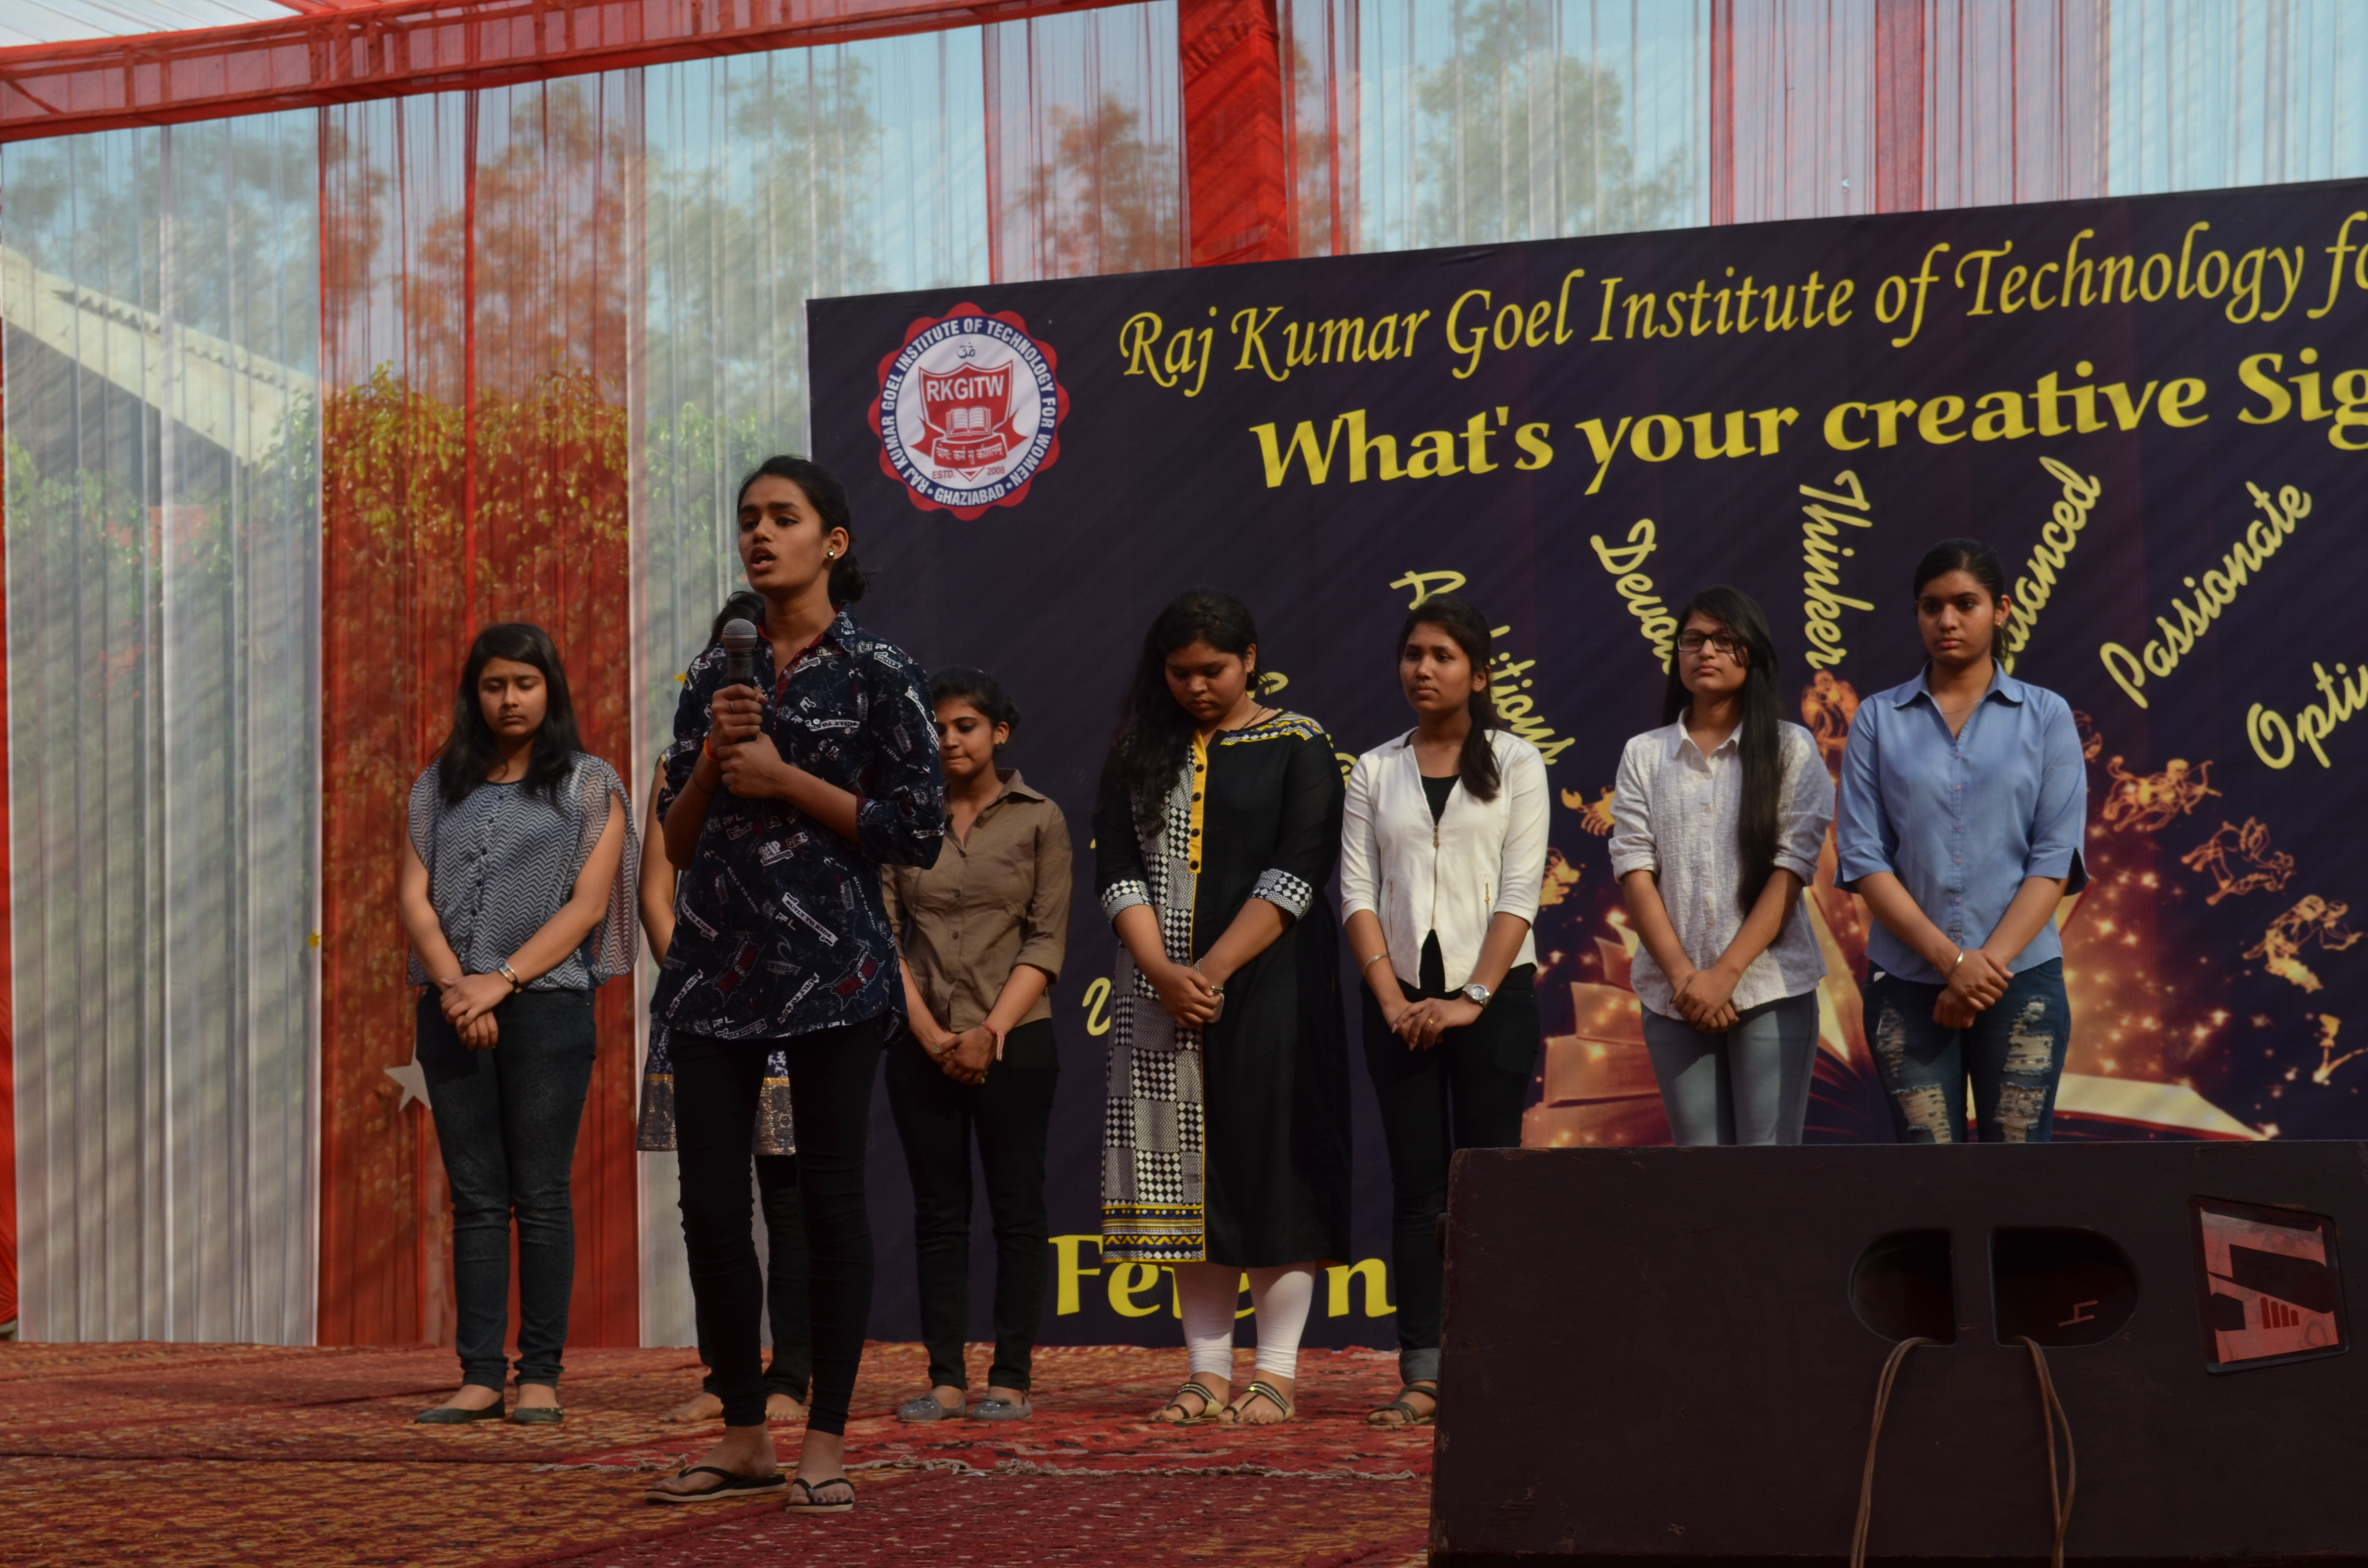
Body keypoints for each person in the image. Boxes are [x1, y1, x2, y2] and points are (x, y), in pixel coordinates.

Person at [642, 457, 943, 1512]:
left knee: (827, 1200)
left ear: (834, 541)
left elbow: (917, 831)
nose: (759, 535)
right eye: (748, 520)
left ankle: (824, 1439)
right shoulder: (710, 673)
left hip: (835, 968)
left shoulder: (880, 671)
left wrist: (787, 780)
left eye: (783, 517)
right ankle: (743, 1434)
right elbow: (677, 841)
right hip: (713, 965)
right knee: (710, 1208)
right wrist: (714, 766)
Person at [1094, 588, 1349, 1428]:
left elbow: (1298, 869)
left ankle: (1275, 1375)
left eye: (1214, 670)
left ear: (1250, 660)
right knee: (1185, 1187)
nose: (1197, 687)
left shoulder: (1300, 742)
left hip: (1275, 987)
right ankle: (1205, 1375)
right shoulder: (1138, 749)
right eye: (1180, 673)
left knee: (1271, 1172)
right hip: (1157, 990)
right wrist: (1160, 972)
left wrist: (1204, 972)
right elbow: (1116, 870)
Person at [397, 623, 637, 1426]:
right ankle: (479, 1375)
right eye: (494, 684)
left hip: (546, 1009)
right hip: (451, 1006)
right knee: (474, 1198)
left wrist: (498, 982)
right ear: (476, 693)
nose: (510, 699)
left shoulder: (589, 783)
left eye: (525, 684)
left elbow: (589, 907)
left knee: (539, 1195)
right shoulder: (438, 785)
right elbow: (413, 897)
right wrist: (456, 989)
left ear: (550, 690)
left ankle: (539, 1375)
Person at [1339, 594, 1549, 1429]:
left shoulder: (1517, 762)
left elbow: (1521, 890)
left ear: (1479, 673)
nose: (1422, 669)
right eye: (1412, 654)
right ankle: (1422, 1370)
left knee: (1486, 1187)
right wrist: (1392, 998)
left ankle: (1493, 1363)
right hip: (1395, 1004)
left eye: (1442, 656)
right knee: (1416, 1190)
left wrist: (1470, 999)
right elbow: (1356, 892)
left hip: (1492, 1001)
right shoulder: (1373, 769)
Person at [1835, 540, 2087, 1144]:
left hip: (2020, 981)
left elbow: (2054, 858)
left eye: (1964, 604)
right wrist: (1951, 964)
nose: (1946, 621)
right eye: (1931, 607)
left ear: (2000, 610)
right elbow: (1864, 858)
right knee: (1929, 1175)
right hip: (1905, 982)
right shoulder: (1877, 718)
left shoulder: (2045, 715)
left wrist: (1981, 971)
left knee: (2019, 1176)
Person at [635, 589, 810, 1427]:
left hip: (793, 1003)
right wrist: (702, 976)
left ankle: (793, 1376)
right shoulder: (678, 761)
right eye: (727, 662)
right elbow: (654, 887)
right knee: (708, 1200)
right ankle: (725, 1377)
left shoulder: (809, 754)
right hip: (702, 999)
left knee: (792, 1196)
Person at [882, 667, 1072, 1424]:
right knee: (938, 1214)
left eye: (965, 726)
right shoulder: (902, 819)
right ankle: (946, 1379)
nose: (949, 740)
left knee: (1017, 1210)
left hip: (1015, 1041)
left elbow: (1047, 940)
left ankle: (1012, 1377)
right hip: (920, 1043)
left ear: (1000, 732)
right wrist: (933, 1036)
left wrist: (989, 1033)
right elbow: (883, 937)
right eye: (936, 727)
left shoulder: (1040, 819)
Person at [1609, 588, 1835, 1147]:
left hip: (1767, 986)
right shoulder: (1644, 753)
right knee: (1700, 1173)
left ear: (1751, 652)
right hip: (1674, 996)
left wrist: (1724, 976)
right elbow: (1634, 870)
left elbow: (1790, 869)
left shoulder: (1790, 748)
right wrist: (1686, 981)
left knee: (1767, 1171)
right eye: (1692, 641)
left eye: (1723, 640)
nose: (1705, 652)